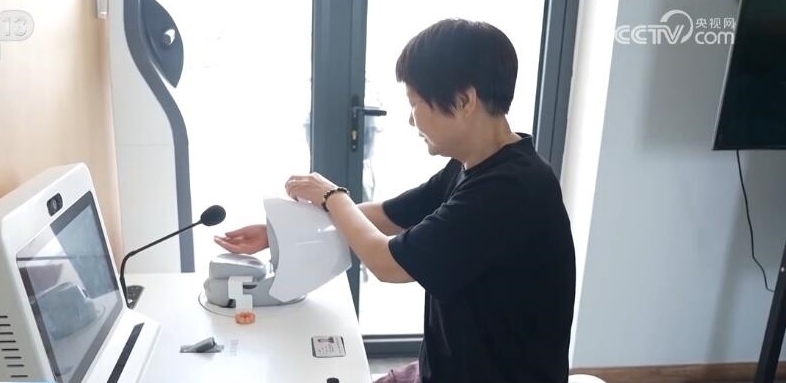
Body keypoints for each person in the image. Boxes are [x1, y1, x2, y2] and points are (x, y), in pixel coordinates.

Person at [214, 19, 575, 383]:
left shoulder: (512, 190)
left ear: (464, 100)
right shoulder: (472, 166)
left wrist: (332, 195)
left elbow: (387, 263)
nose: (411, 119)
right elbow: (388, 215)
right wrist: (278, 233)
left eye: (415, 102)